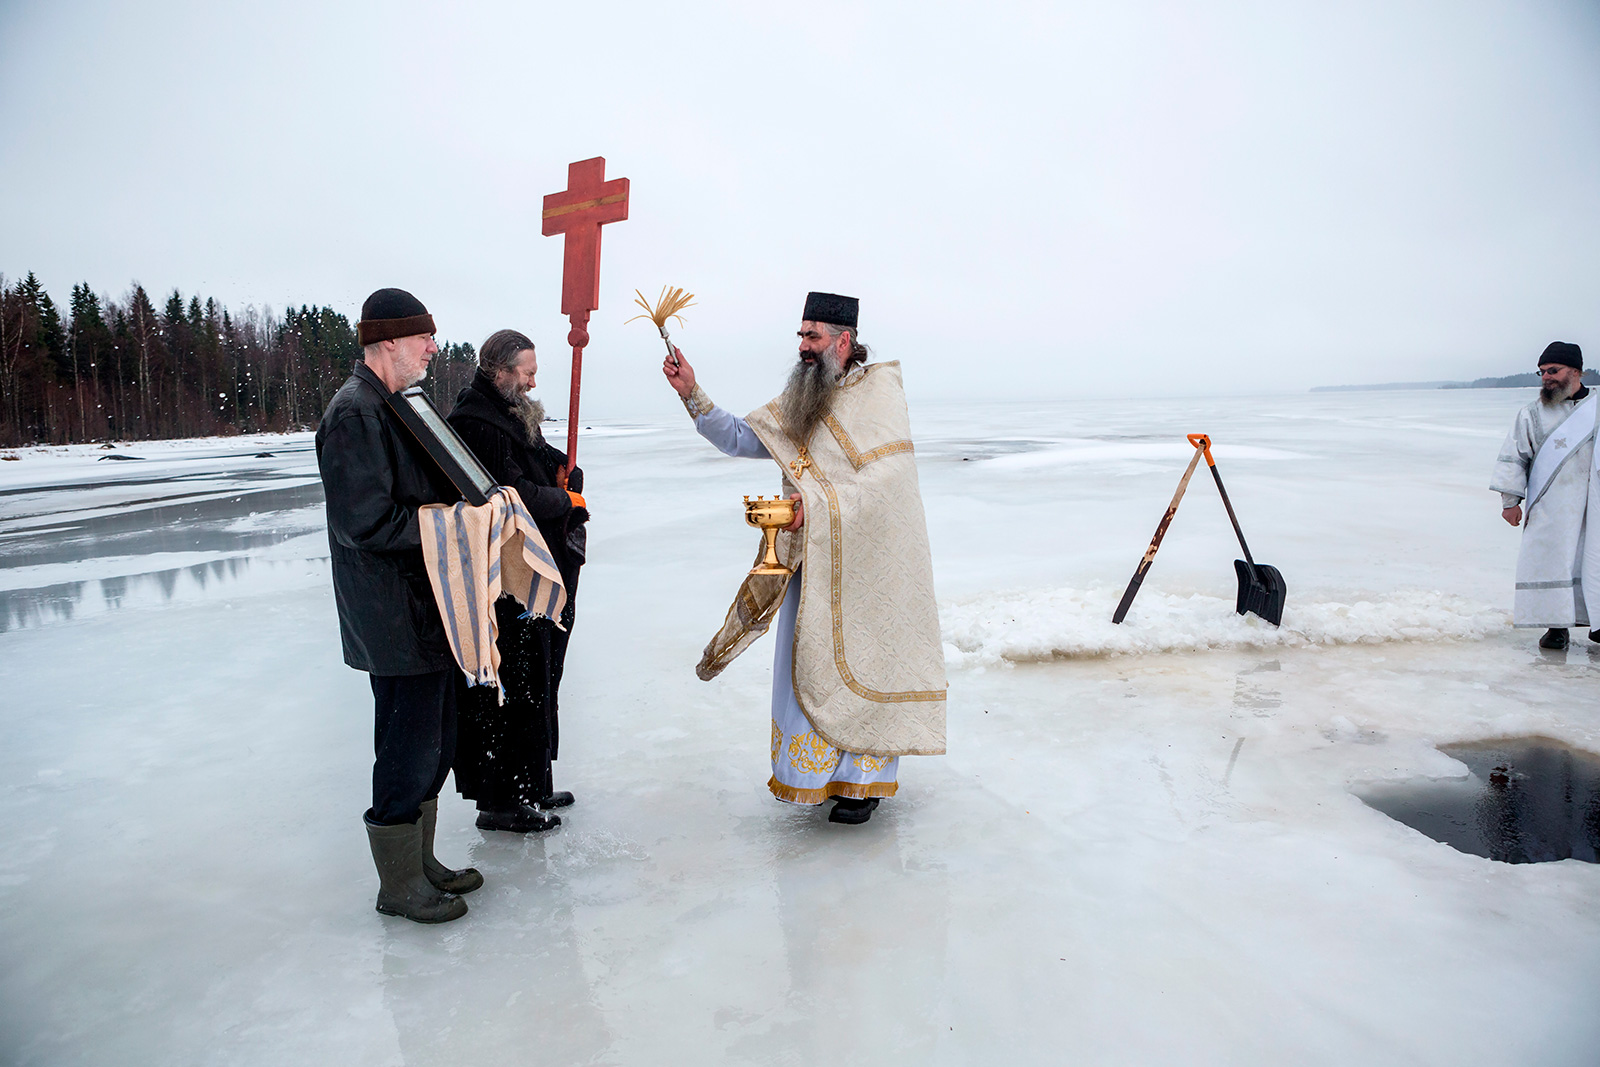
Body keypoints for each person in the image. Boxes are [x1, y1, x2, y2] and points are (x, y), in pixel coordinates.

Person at [661, 292, 946, 825]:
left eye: (812, 336)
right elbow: (745, 439)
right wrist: (691, 393)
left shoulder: (877, 396)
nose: (803, 347)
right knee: (806, 667)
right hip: (809, 562)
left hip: (865, 565)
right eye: (800, 336)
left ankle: (862, 786)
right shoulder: (802, 397)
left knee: (865, 664)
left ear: (844, 340)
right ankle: (815, 776)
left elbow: (888, 486)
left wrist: (810, 508)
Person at [315, 288, 482, 924]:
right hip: (392, 614)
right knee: (407, 747)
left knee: (436, 742)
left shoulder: (394, 405)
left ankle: (422, 862)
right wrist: (452, 526)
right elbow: (364, 523)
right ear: (389, 341)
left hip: (425, 606)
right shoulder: (356, 413)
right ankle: (398, 885)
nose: (434, 349)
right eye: (424, 339)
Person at [446, 329, 588, 833]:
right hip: (508, 577)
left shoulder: (508, 413)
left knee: (543, 675)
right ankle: (503, 800)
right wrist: (563, 502)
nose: (532, 381)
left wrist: (564, 473)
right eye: (525, 372)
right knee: (516, 682)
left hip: (536, 569)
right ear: (499, 371)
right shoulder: (476, 422)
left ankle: (535, 779)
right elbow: (509, 495)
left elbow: (538, 458)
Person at [1490, 340, 1596, 650]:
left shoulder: (1597, 409)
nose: (1546, 377)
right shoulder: (1531, 414)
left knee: (1595, 562)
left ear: (1577, 372)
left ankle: (1599, 624)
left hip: (1595, 505)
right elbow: (1514, 456)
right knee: (1554, 563)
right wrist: (1510, 501)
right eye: (1541, 372)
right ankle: (1556, 627)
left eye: (1553, 370)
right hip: (1552, 505)